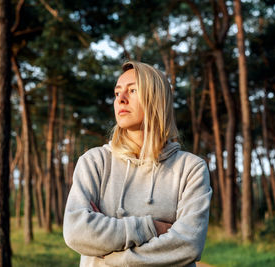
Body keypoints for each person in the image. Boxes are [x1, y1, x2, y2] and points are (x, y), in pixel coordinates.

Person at [63, 61, 212, 267]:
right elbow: (76, 231)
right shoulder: (95, 162)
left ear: (156, 99)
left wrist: (113, 257)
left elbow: (188, 245)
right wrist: (152, 228)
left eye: (132, 90)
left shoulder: (190, 169)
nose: (121, 100)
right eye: (117, 93)